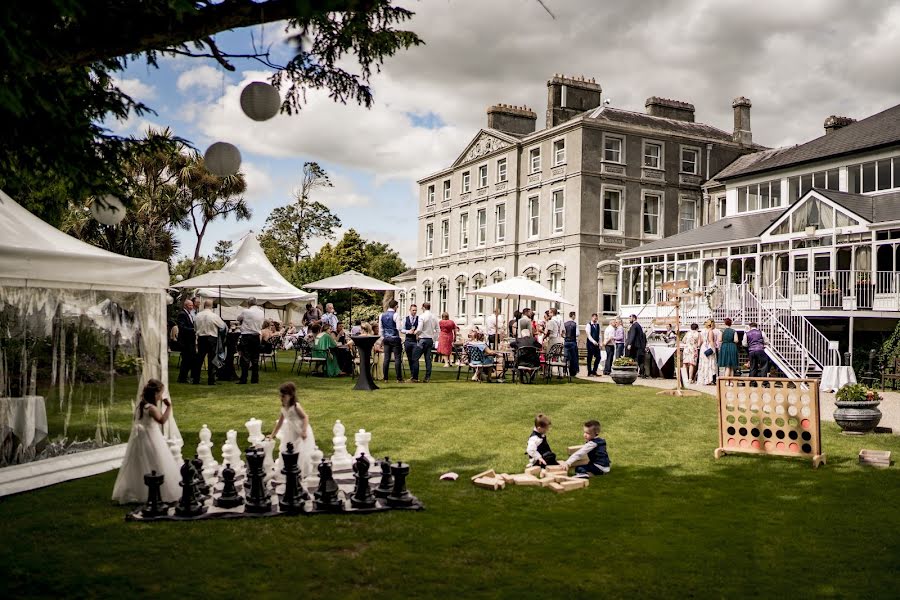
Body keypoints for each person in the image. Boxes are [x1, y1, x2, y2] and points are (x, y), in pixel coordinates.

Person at [112, 379, 180, 503]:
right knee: (157, 461)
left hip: (140, 439)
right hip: (151, 437)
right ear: (155, 394)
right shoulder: (151, 408)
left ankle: (138, 490)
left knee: (139, 463)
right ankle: (160, 491)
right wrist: (169, 407)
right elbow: (162, 420)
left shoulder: (141, 405)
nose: (161, 396)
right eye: (160, 393)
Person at [268, 381, 317, 478]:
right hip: (290, 431)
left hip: (300, 430)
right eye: (280, 396)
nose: (281, 398)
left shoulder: (296, 406)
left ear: (290, 395)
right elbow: (280, 423)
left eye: (284, 396)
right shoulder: (283, 408)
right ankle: (290, 469)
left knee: (301, 450)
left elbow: (305, 417)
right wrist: (272, 435)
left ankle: (302, 470)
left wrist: (303, 431)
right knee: (288, 449)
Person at [194, 299, 226, 385]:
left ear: (204, 305)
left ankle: (196, 379)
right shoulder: (214, 316)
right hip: (212, 338)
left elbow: (195, 327)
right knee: (212, 359)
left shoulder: (197, 315)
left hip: (201, 338)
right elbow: (222, 325)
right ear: (211, 306)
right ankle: (211, 379)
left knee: (200, 359)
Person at [236, 297, 265, 384]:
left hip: (246, 336)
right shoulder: (261, 312)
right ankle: (255, 379)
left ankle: (244, 379)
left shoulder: (246, 311)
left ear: (248, 303)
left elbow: (238, 318)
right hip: (256, 336)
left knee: (245, 358)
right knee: (255, 358)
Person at [380, 299, 404, 382]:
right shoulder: (396, 315)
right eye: (397, 306)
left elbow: (381, 329)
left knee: (386, 358)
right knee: (397, 358)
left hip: (386, 338)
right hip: (394, 337)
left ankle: (385, 378)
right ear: (395, 306)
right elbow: (398, 328)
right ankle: (399, 378)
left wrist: (382, 338)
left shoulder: (382, 315)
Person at [414, 301, 438, 383]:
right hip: (430, 339)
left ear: (423, 307)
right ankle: (427, 377)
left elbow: (420, 329)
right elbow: (438, 330)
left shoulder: (422, 316)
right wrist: (434, 339)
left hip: (423, 339)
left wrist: (415, 332)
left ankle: (415, 376)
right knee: (428, 359)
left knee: (415, 357)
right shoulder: (434, 317)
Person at [176, 298, 196, 384]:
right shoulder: (182, 314)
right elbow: (182, 327)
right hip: (185, 341)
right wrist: (193, 329)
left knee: (189, 359)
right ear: (185, 305)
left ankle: (185, 377)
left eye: (192, 305)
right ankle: (182, 378)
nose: (191, 307)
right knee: (186, 360)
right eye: (189, 305)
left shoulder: (189, 314)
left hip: (190, 341)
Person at [697, 319, 721, 385]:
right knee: (709, 363)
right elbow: (711, 340)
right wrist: (713, 349)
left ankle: (703, 379)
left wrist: (698, 347)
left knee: (703, 363)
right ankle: (709, 379)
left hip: (703, 347)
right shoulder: (710, 331)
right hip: (708, 347)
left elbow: (700, 341)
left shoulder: (701, 331)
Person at [401, 304, 420, 382]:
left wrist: (416, 332)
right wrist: (408, 331)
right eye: (413, 310)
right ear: (410, 310)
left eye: (415, 310)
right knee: (410, 359)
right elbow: (402, 329)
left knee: (415, 359)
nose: (414, 312)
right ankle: (412, 375)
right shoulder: (405, 319)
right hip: (408, 341)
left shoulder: (419, 319)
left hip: (415, 341)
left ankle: (415, 377)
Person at [563, 311, 579, 377]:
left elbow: (563, 333)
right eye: (574, 316)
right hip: (572, 341)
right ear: (573, 316)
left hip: (566, 342)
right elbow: (577, 334)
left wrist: (566, 336)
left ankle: (563, 371)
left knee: (565, 357)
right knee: (573, 357)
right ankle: (572, 372)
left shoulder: (565, 323)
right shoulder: (575, 324)